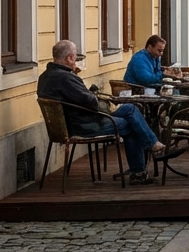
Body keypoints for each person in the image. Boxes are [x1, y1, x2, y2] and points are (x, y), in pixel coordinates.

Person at [38, 40, 178, 184]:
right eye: (75, 58)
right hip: (83, 124)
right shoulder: (65, 77)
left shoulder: (46, 76)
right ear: (69, 58)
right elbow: (91, 102)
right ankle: (141, 168)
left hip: (71, 122)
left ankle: (152, 145)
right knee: (131, 124)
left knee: (130, 109)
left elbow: (79, 98)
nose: (76, 62)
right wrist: (97, 97)